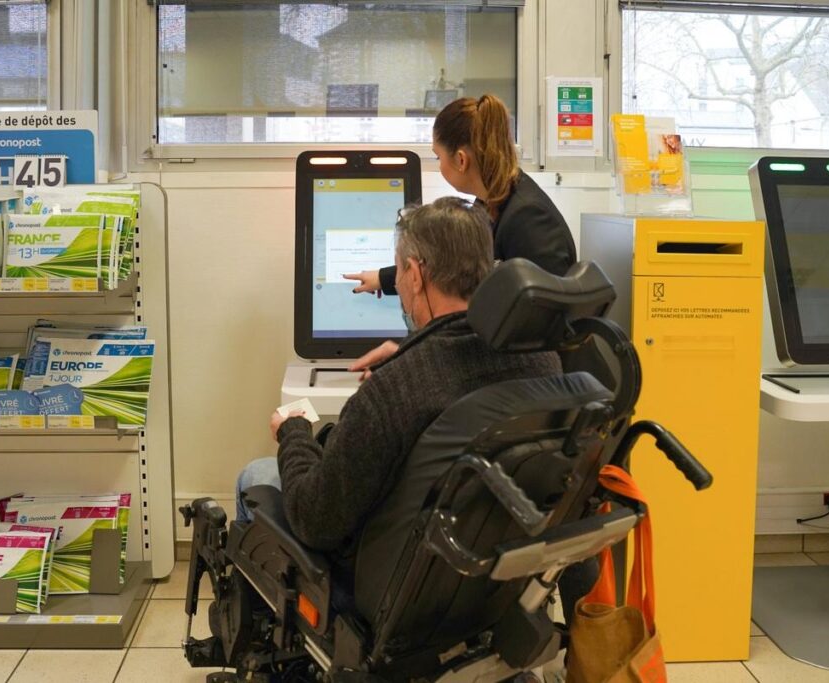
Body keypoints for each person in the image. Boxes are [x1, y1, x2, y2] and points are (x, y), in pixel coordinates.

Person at [235, 197, 562, 550]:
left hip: (385, 584)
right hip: (492, 574)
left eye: (399, 272)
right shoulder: (543, 362)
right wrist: (410, 355)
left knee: (256, 475)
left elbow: (315, 519)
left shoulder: (395, 391)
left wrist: (294, 434)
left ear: (415, 274)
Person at [344, 94, 576, 372]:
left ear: (461, 160)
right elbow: (449, 268)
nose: (438, 164)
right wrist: (384, 278)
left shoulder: (528, 218)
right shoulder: (492, 202)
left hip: (544, 380)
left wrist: (420, 361)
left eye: (438, 156)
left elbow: (543, 328)